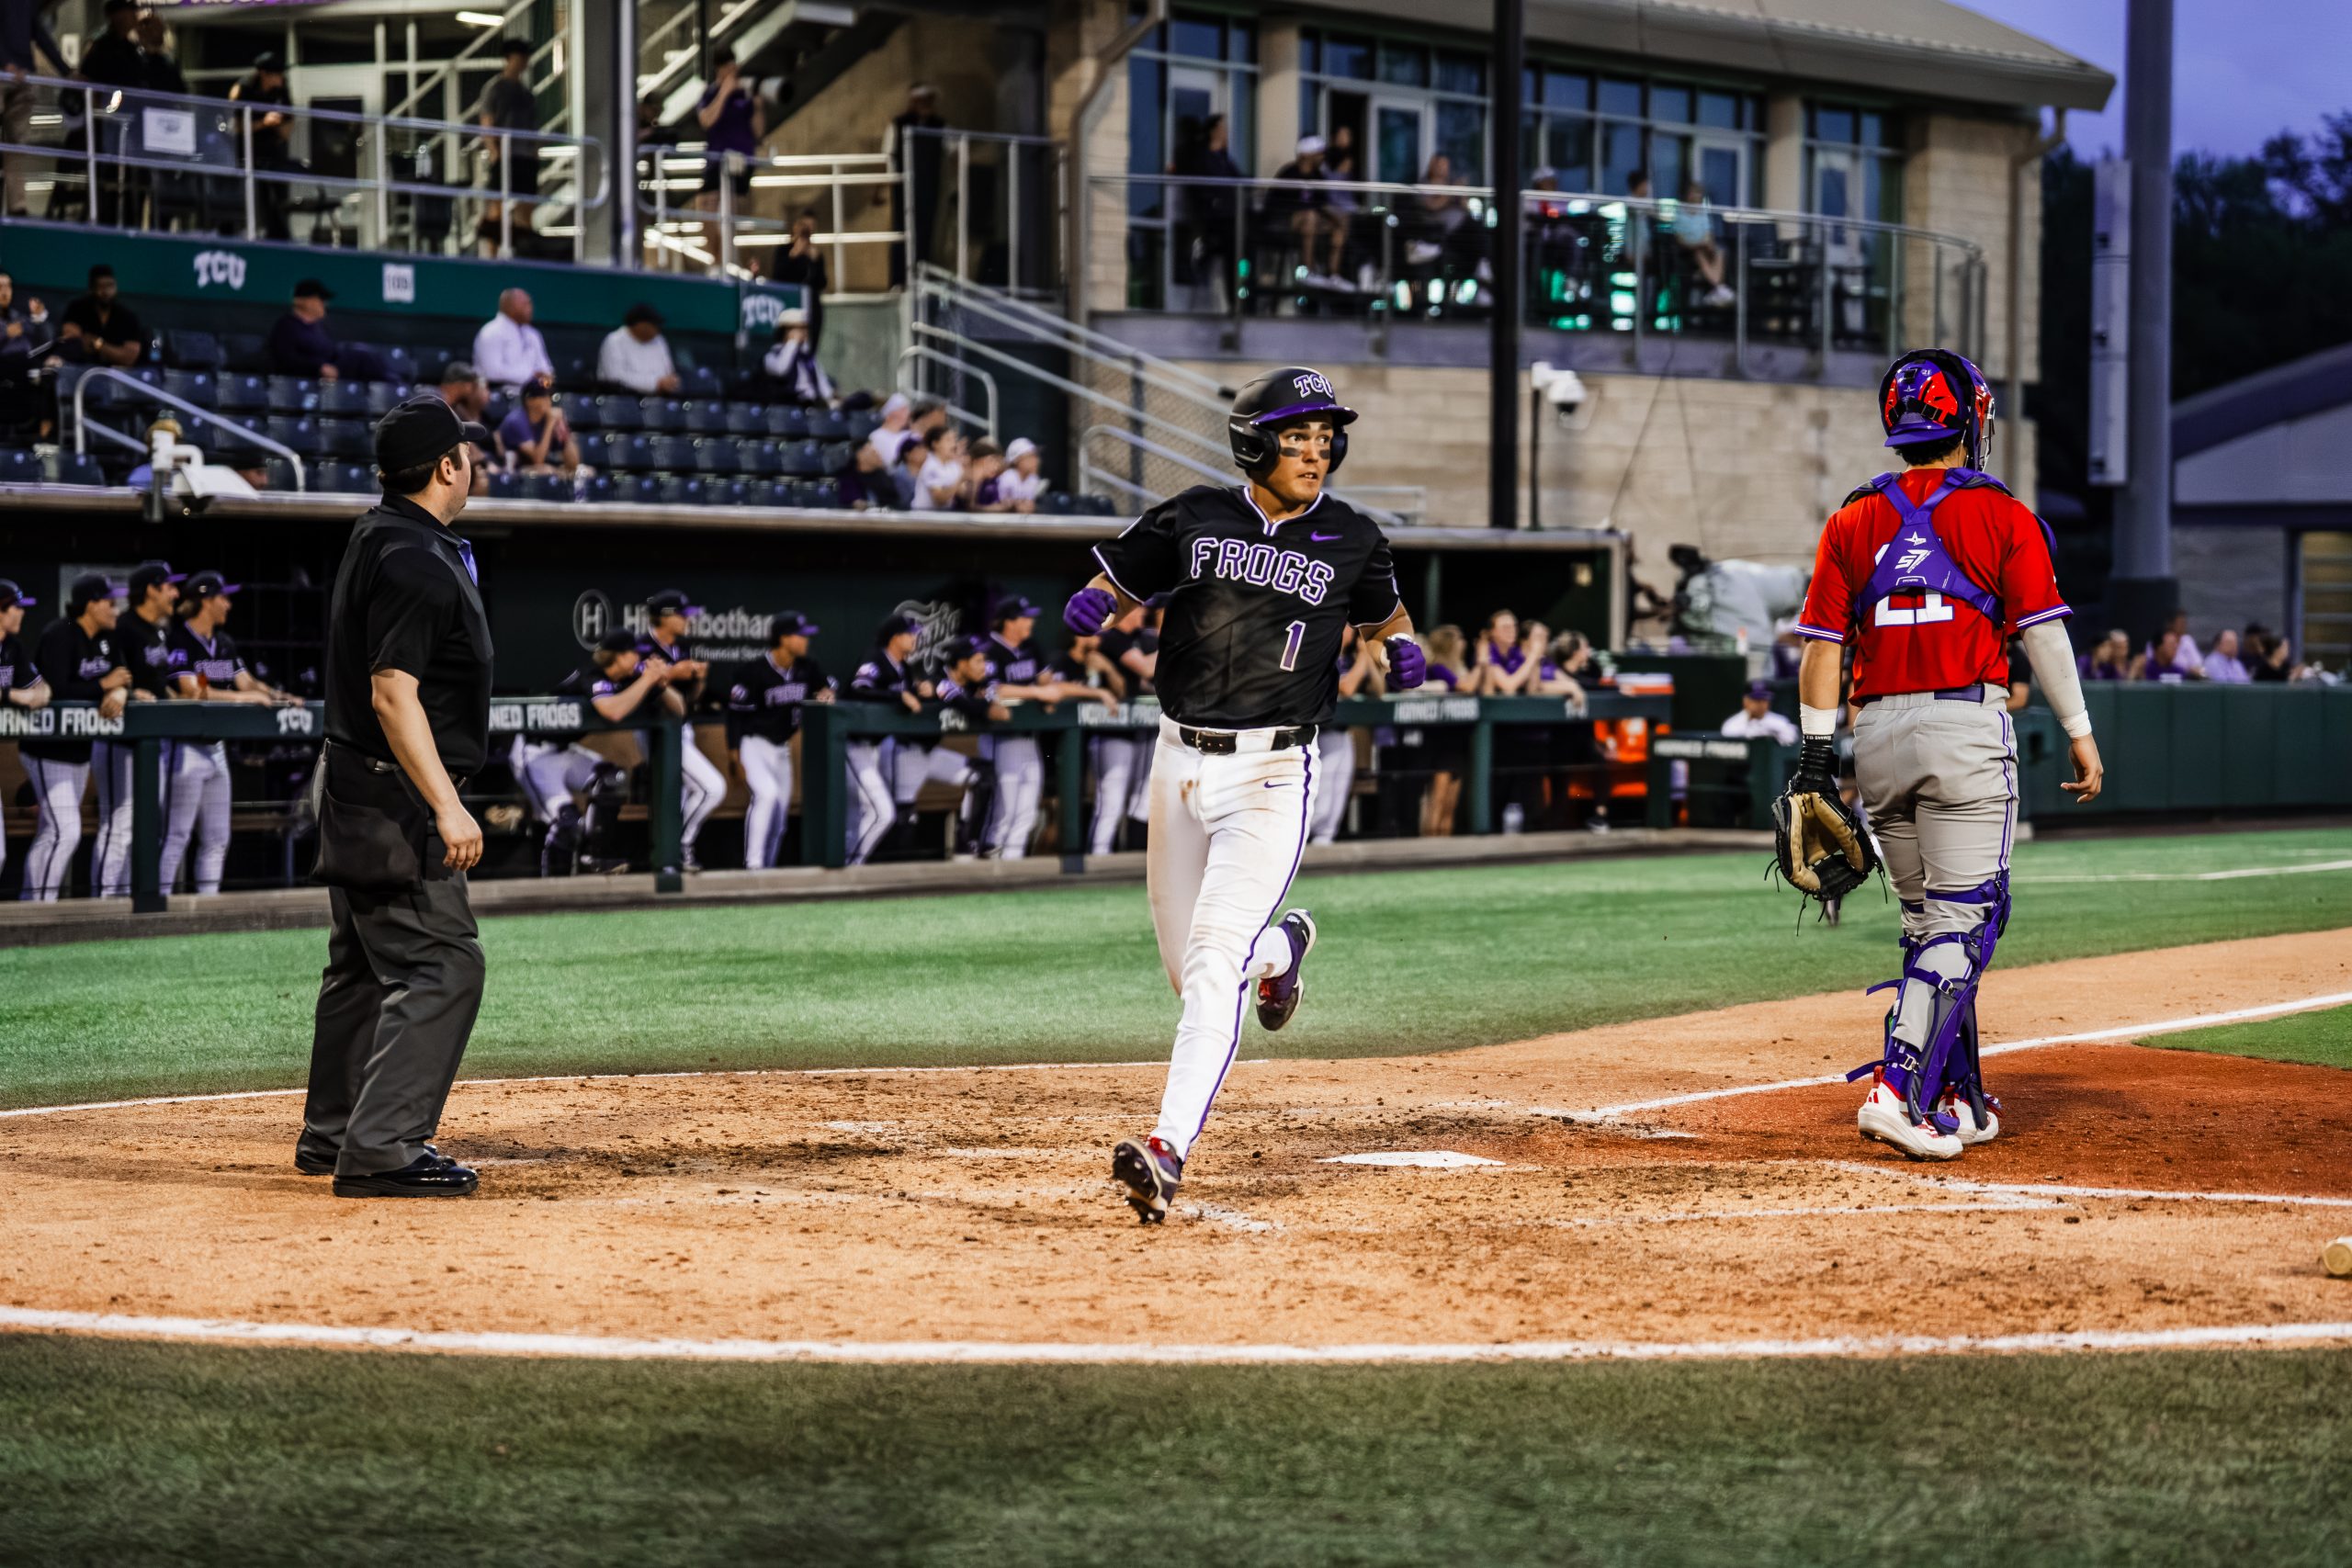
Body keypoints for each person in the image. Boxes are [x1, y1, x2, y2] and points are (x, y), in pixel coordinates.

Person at [1063, 366, 1420, 1222]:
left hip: (1270, 771)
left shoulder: (1355, 537)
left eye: (1325, 438)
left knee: (1213, 958)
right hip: (1175, 761)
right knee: (1194, 977)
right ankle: (1282, 952)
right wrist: (1094, 600)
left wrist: (1403, 647)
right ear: (1256, 441)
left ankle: (1167, 1149)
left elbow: (1387, 618)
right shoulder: (1194, 515)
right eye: (1298, 437)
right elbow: (1122, 579)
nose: (1316, 452)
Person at [1790, 347, 2102, 1163]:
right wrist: (2078, 727)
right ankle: (1896, 1090)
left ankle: (1955, 1093)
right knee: (1968, 919)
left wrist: (1817, 760)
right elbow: (2043, 631)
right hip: (1964, 727)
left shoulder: (1851, 518)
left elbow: (1824, 646)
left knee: (1929, 923)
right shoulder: (2003, 513)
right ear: (1967, 420)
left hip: (1877, 737)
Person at [301, 391, 492, 1198]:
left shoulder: (382, 530)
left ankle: (337, 1129)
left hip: (353, 780)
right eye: (465, 451)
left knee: (362, 963)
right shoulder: (415, 557)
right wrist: (447, 802)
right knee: (443, 961)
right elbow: (392, 693)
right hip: (392, 793)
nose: (473, 460)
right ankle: (380, 1146)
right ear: (447, 466)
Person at [159, 570, 295, 895]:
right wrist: (244, 698)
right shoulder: (180, 639)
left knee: (218, 836)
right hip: (185, 746)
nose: (228, 604)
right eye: (223, 597)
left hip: (215, 747)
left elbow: (247, 682)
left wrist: (278, 696)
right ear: (206, 601)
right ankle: (157, 907)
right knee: (177, 834)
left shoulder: (224, 642)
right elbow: (191, 691)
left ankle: (207, 908)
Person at [514, 631, 664, 875]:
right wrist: (648, 679)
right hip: (534, 753)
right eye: (633, 653)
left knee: (611, 778)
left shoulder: (626, 678)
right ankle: (552, 891)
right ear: (618, 656)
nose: (639, 657)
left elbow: (661, 693)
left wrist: (659, 678)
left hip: (564, 752)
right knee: (567, 823)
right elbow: (612, 712)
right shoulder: (591, 676)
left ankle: (596, 856)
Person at [18, 575, 128, 900]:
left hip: (79, 750)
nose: (115, 608)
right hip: (47, 748)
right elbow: (56, 691)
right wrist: (104, 685)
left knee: (55, 831)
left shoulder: (106, 638)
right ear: (91, 604)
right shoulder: (60, 633)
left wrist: (120, 690)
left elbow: (122, 676)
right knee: (65, 831)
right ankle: (38, 908)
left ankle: (34, 904)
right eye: (109, 601)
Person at [91, 558, 180, 898]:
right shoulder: (122, 628)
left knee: (144, 827)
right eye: (168, 586)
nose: (174, 593)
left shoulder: (158, 629)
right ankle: (102, 905)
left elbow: (156, 683)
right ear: (151, 590)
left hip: (151, 743)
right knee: (120, 825)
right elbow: (108, 677)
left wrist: (173, 697)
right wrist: (126, 692)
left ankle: (128, 901)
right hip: (119, 739)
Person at [723, 613, 832, 869]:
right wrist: (734, 756)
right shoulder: (752, 672)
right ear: (784, 638)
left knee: (779, 818)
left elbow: (826, 688)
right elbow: (735, 717)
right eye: (801, 635)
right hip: (754, 744)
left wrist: (827, 693)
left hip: (782, 748)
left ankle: (767, 869)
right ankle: (753, 866)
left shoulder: (808, 667)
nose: (806, 640)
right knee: (767, 795)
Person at [636, 588, 724, 873]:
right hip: (657, 733)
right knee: (713, 788)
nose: (688, 620)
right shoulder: (641, 647)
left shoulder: (681, 648)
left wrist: (698, 679)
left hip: (681, 730)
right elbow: (642, 687)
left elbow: (689, 701)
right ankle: (678, 846)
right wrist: (672, 672)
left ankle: (672, 858)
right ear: (665, 617)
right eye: (682, 615)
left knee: (682, 797)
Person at [842, 614, 923, 865]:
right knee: (882, 813)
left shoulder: (905, 668)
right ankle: (850, 867)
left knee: (858, 815)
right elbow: (860, 689)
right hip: (852, 744)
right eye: (910, 634)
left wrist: (918, 690)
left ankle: (848, 866)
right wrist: (899, 697)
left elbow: (907, 698)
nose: (915, 639)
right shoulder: (874, 658)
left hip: (874, 748)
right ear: (895, 638)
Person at [1087, 597, 1159, 856]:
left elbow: (1139, 683)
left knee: (1134, 800)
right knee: (1111, 803)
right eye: (1139, 608)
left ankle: (1113, 856)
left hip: (1130, 730)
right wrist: (1180, 643)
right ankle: (1096, 861)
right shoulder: (1112, 637)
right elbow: (1146, 669)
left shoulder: (1133, 639)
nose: (1143, 614)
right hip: (1110, 731)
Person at [1309, 626, 1384, 845]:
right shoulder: (1320, 654)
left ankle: (1324, 843)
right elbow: (1347, 688)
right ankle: (1302, 844)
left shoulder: (1351, 659)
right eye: (1346, 628)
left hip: (1342, 733)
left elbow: (1380, 691)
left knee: (1336, 798)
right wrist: (1362, 659)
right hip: (1319, 734)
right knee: (1320, 800)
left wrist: (1366, 656)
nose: (1351, 633)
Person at [0, 578, 50, 892]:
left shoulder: (13, 647)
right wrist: (15, 696)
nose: (21, 613)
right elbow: (21, 695)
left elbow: (43, 689)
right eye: (16, 607)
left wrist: (33, 696)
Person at [1, 0, 66, 218]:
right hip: (9, 72)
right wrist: (5, 62)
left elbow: (39, 34)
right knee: (15, 143)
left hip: (21, 76)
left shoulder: (27, 5)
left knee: (18, 143)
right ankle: (16, 207)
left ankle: (17, 207)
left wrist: (67, 71)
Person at [476, 39, 537, 253]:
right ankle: (492, 255)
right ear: (510, 58)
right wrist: (495, 152)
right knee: (497, 208)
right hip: (504, 156)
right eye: (521, 57)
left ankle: (525, 254)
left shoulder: (527, 94)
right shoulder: (495, 88)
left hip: (525, 157)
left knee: (526, 208)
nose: (525, 61)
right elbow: (487, 121)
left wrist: (534, 153)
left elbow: (532, 128)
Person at [1175, 112, 1242, 304]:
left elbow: (1239, 180)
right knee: (1230, 244)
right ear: (1214, 131)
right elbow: (1200, 187)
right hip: (1211, 218)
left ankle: (1239, 301)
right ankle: (1228, 300)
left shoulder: (1224, 158)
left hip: (1229, 217)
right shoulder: (1202, 157)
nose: (1226, 133)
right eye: (1223, 129)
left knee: (1240, 244)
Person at [883, 83, 945, 287]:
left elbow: (955, 151)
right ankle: (898, 281)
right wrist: (882, 187)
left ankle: (921, 279)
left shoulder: (939, 125)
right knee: (902, 231)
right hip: (904, 188)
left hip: (929, 186)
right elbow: (888, 157)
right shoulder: (899, 124)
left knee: (926, 233)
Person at [228, 51, 296, 240]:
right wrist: (263, 123)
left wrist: (280, 125)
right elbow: (234, 126)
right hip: (247, 156)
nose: (281, 78)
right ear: (264, 74)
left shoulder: (282, 91)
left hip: (274, 155)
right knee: (256, 200)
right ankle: (255, 235)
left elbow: (288, 125)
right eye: (276, 73)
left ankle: (281, 238)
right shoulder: (243, 89)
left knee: (280, 201)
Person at [266, 279, 387, 382]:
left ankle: (394, 387)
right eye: (320, 299)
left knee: (362, 354)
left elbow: (332, 353)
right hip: (305, 379)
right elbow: (286, 360)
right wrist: (319, 367)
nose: (324, 304)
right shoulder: (286, 326)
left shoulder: (320, 328)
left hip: (331, 375)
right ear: (303, 301)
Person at [1265, 135, 1346, 288]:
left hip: (1309, 223)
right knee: (1310, 217)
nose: (1322, 157)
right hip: (1282, 222)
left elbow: (1322, 203)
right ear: (1307, 155)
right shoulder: (1289, 174)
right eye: (1318, 153)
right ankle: (1307, 271)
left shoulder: (1318, 176)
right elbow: (1275, 205)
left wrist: (1336, 219)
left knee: (1339, 222)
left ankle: (1334, 275)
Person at [52, 265, 145, 368]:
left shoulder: (127, 317)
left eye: (110, 286)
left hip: (116, 376)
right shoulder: (77, 308)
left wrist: (98, 345)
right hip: (81, 371)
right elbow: (72, 340)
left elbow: (129, 357)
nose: (106, 292)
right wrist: (113, 352)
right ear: (92, 288)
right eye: (101, 286)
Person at [493, 378, 585, 477]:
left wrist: (563, 430)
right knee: (546, 471)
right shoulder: (516, 421)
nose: (547, 400)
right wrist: (550, 423)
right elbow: (537, 460)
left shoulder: (548, 418)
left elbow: (573, 464)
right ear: (529, 400)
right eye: (541, 396)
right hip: (510, 472)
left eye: (548, 395)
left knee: (584, 472)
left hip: (536, 471)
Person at [472, 288, 554, 395]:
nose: (530, 308)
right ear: (509, 306)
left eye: (530, 304)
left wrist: (545, 380)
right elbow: (490, 372)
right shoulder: (491, 332)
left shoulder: (533, 334)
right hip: (498, 396)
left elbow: (546, 371)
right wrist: (530, 377)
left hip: (532, 397)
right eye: (525, 304)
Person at [1670, 176, 1735, 307]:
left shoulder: (1702, 213)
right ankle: (1719, 288)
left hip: (1705, 248)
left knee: (1720, 251)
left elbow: (1709, 233)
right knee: (1699, 253)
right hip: (1688, 252)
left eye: (1699, 193)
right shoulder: (1680, 213)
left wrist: (1710, 244)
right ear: (1687, 194)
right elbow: (1680, 239)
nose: (1696, 196)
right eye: (1693, 192)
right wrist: (1697, 245)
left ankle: (1717, 289)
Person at [768, 210, 828, 346]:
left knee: (810, 343)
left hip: (811, 304)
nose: (808, 229)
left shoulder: (815, 254)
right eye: (804, 225)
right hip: (789, 303)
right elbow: (777, 276)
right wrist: (793, 255)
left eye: (811, 226)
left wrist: (814, 262)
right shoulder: (784, 251)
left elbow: (822, 283)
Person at [434, 361, 493, 493]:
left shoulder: (457, 408)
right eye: (470, 384)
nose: (472, 388)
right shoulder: (435, 398)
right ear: (460, 384)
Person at [598, 302, 680, 395]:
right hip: (621, 399)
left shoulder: (659, 340)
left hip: (657, 399)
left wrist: (670, 383)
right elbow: (615, 378)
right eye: (653, 325)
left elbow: (668, 372)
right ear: (640, 324)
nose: (657, 329)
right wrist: (655, 384)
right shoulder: (614, 340)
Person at [762, 307, 834, 405]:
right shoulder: (771, 356)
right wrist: (792, 343)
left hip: (815, 407)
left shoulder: (807, 357)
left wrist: (832, 400)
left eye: (805, 328)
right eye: (799, 328)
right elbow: (781, 370)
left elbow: (824, 388)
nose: (804, 332)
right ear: (786, 331)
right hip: (790, 407)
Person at [1719, 679, 1798, 745]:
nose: (1762, 704)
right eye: (1757, 700)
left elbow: (1792, 740)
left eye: (1765, 700)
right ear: (1746, 701)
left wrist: (1774, 735)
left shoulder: (1779, 721)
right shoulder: (1732, 724)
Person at [911, 425, 965, 511]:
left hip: (944, 517)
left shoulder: (955, 465)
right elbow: (939, 499)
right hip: (923, 518)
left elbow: (964, 494)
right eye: (948, 440)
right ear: (935, 444)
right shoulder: (930, 466)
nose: (954, 445)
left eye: (954, 440)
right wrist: (961, 479)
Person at [136, 9, 186, 96]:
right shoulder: (135, 61)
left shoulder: (170, 63)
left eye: (159, 29)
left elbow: (180, 93)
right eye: (151, 29)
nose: (158, 33)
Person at [993, 437, 1047, 512]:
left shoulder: (1033, 479)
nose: (1036, 460)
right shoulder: (1007, 478)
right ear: (1016, 460)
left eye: (1035, 456)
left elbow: (1028, 507)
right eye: (1030, 456)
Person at [865, 391, 916, 467]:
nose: (908, 413)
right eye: (903, 410)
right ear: (891, 413)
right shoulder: (877, 436)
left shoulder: (911, 434)